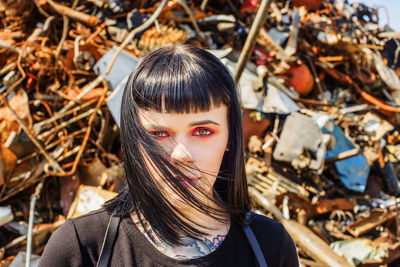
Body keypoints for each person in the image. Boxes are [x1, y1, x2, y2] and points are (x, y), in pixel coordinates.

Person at [39, 44, 299, 266]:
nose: (181, 154)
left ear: (230, 138)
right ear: (133, 140)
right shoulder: (81, 247)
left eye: (202, 131)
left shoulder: (269, 246)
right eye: (158, 134)